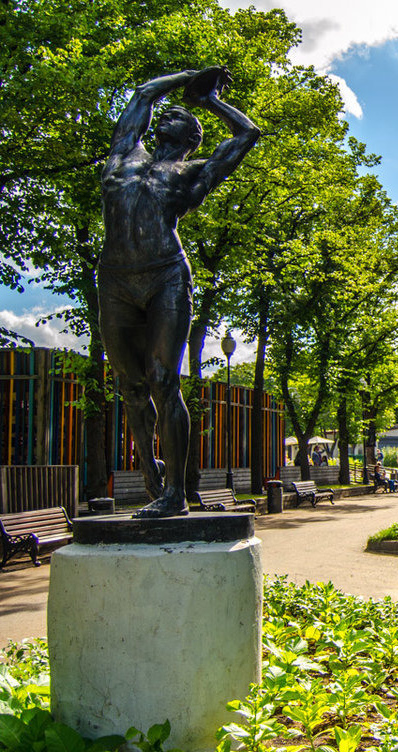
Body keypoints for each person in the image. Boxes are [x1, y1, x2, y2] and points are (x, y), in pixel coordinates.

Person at [100, 66, 260, 519]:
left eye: (177, 115)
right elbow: (144, 92)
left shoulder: (192, 172)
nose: (166, 114)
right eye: (163, 114)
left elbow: (247, 134)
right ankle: (152, 473)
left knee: (163, 380)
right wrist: (191, 76)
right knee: (131, 388)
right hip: (114, 279)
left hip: (165, 276)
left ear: (192, 136)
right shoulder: (123, 154)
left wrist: (208, 101)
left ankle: (173, 492)